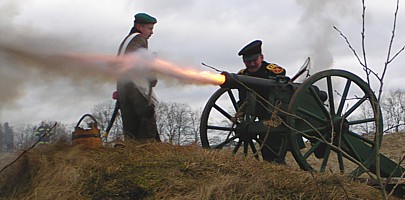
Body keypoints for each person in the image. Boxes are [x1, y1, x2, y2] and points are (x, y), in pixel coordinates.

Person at [236, 40, 286, 162]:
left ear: (261, 57)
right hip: (256, 113)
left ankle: (276, 165)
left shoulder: (272, 71)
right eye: (248, 61)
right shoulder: (242, 75)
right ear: (244, 61)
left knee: (271, 145)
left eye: (255, 60)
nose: (252, 64)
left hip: (275, 114)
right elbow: (242, 99)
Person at [115, 13, 160, 141]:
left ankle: (132, 147)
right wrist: (152, 75)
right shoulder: (139, 39)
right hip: (135, 85)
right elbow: (140, 61)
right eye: (149, 28)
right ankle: (148, 147)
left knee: (130, 124)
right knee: (147, 117)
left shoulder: (127, 40)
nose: (151, 32)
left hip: (123, 86)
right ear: (140, 26)